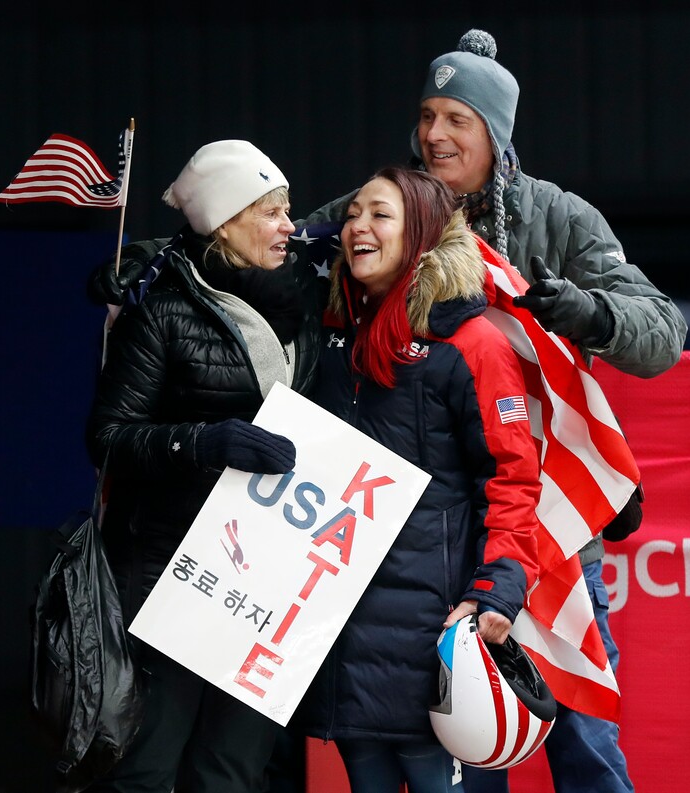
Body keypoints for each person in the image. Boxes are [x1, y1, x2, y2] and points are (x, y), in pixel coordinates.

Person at [87, 29, 688, 793]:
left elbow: (661, 333)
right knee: (429, 751)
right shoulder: (382, 204)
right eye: (428, 115)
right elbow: (267, 244)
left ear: (496, 136)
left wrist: (584, 311)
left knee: (582, 737)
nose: (433, 134)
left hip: (547, 531)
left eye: (457, 120)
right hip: (423, 551)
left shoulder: (559, 219)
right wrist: (163, 266)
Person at [83, 139, 326, 793]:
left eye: (289, 211)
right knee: (148, 767)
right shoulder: (160, 310)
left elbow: (385, 214)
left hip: (270, 582)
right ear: (224, 222)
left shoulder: (310, 296)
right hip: (170, 576)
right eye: (271, 212)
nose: (288, 226)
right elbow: (106, 438)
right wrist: (202, 443)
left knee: (233, 771)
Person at [298, 165, 542, 793]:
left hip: (437, 631)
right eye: (353, 214)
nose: (358, 226)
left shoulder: (471, 342)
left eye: (380, 214)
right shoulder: (325, 331)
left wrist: (496, 591)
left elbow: (513, 479)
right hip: (341, 623)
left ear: (424, 234)